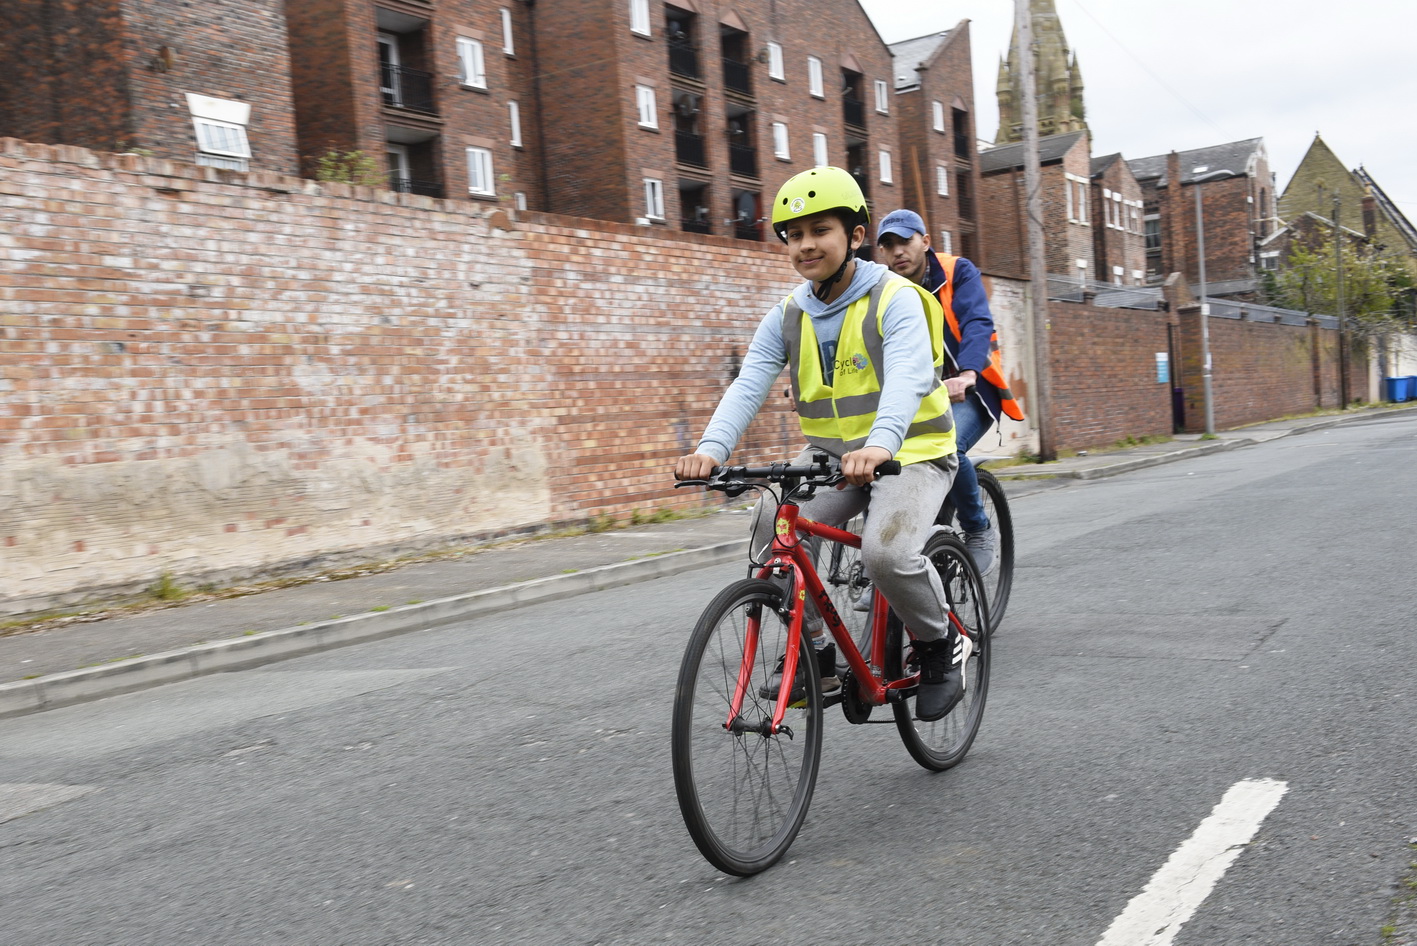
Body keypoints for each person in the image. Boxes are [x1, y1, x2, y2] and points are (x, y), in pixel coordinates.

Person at [673, 167, 970, 722]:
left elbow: (907, 374)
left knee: (885, 553)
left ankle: (939, 645)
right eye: (794, 234)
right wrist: (711, 449)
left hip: (914, 453)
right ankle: (818, 657)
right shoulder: (789, 315)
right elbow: (750, 381)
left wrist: (882, 443)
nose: (805, 244)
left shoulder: (895, 298)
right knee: (771, 530)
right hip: (834, 458)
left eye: (820, 230)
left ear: (855, 235)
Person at [875, 209, 1024, 574]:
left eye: (905, 241)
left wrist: (969, 372)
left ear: (925, 242)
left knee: (949, 443)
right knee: (879, 456)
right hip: (920, 394)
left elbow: (976, 322)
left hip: (971, 390)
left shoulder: (957, 271)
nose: (897, 252)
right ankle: (882, 563)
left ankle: (977, 528)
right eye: (888, 245)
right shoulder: (883, 289)